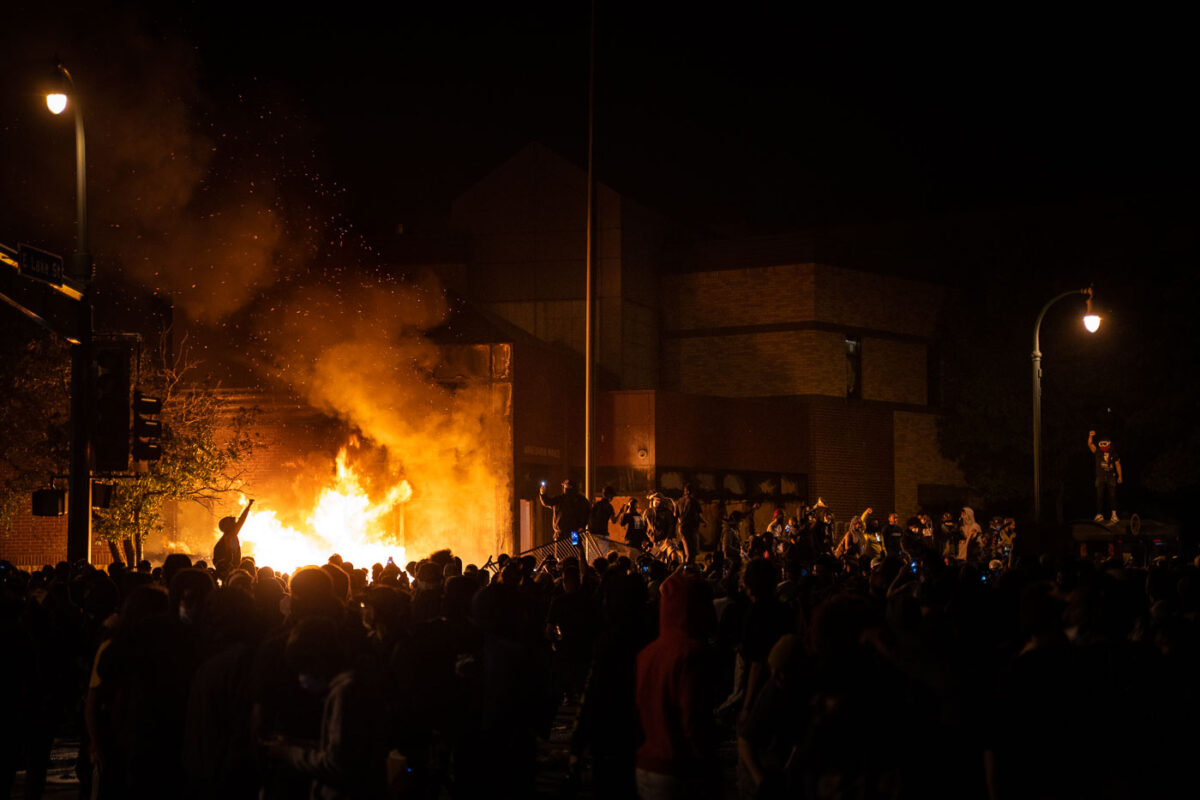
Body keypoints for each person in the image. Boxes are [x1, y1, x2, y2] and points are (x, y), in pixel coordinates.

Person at [539, 479, 591, 558]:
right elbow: (587, 514)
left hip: (562, 533)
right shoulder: (582, 500)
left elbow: (547, 502)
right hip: (575, 533)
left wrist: (543, 494)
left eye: (564, 486)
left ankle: (564, 568)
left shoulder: (560, 499)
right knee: (575, 554)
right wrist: (582, 526)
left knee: (561, 556)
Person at [1087, 430, 1123, 523]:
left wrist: (1120, 476)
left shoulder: (1113, 452)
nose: (1103, 445)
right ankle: (1099, 514)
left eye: (1105, 443)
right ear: (1099, 444)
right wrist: (1090, 436)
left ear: (1109, 444)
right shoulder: (1097, 451)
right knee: (1099, 496)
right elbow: (1090, 444)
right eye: (1102, 444)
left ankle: (1114, 515)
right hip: (1100, 477)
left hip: (1111, 477)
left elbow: (1117, 464)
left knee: (1113, 496)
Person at [213, 500, 253, 578]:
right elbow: (241, 521)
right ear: (226, 527)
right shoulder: (229, 537)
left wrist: (248, 507)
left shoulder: (230, 536)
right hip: (228, 571)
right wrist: (248, 507)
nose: (234, 521)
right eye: (231, 521)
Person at [675, 484, 704, 563]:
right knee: (692, 550)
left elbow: (675, 515)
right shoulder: (694, 501)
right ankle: (689, 567)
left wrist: (681, 521)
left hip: (681, 528)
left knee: (685, 547)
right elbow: (699, 515)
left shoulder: (679, 501)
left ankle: (685, 566)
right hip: (692, 528)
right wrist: (705, 522)